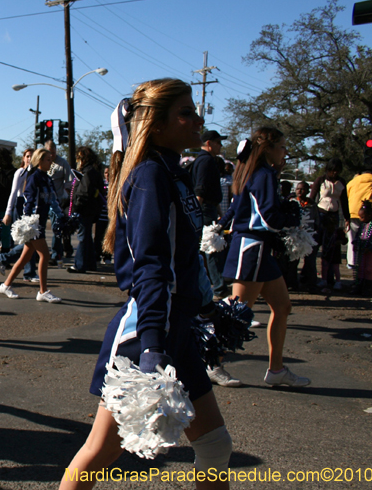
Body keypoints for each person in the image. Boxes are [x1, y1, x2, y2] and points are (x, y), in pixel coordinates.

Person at [61, 79, 231, 490]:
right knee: (100, 453)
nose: (198, 120)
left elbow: (181, 259)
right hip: (147, 330)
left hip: (176, 326)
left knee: (215, 447)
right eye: (186, 113)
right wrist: (154, 344)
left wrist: (206, 307)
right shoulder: (151, 175)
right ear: (155, 124)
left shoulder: (172, 173)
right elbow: (151, 266)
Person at [223, 127, 308, 387]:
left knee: (283, 307)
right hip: (252, 248)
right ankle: (210, 362)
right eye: (282, 146)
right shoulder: (264, 174)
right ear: (268, 148)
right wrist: (291, 218)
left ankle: (277, 369)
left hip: (259, 249)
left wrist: (219, 225)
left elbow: (236, 210)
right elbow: (268, 218)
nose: (285, 151)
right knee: (237, 314)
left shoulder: (255, 172)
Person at [0, 148, 63, 303]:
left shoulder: (47, 178)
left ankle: (6, 285)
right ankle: (43, 291)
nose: (50, 162)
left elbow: (53, 200)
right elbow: (29, 201)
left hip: (39, 222)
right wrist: (29, 221)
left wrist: (61, 216)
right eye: (47, 159)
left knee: (25, 257)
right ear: (39, 161)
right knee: (45, 255)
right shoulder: (33, 178)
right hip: (33, 224)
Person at [191, 130, 229, 299]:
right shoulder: (205, 161)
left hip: (210, 208)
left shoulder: (208, 160)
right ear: (208, 143)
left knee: (209, 247)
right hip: (204, 209)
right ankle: (219, 288)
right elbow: (200, 189)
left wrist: (219, 211)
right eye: (218, 142)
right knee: (211, 248)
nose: (220, 145)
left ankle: (204, 285)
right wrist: (196, 212)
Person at [0, 148, 39, 282]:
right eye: (27, 156)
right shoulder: (20, 172)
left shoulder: (37, 173)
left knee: (31, 240)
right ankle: (27, 271)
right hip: (21, 206)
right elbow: (13, 193)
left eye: (32, 156)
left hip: (34, 207)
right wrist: (8, 212)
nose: (29, 159)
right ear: (23, 158)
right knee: (29, 239)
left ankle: (27, 271)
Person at [308, 158, 350, 290]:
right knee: (315, 245)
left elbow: (344, 201)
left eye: (337, 171)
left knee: (331, 248)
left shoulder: (341, 182)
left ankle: (330, 278)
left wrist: (347, 218)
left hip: (334, 215)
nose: (334, 173)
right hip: (321, 214)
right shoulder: (320, 180)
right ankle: (312, 276)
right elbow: (312, 197)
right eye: (332, 170)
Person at [68, 146, 105, 274]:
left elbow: (84, 192)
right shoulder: (92, 171)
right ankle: (90, 263)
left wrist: (76, 207)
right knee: (87, 236)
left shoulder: (88, 172)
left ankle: (80, 264)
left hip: (85, 209)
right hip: (90, 208)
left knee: (83, 236)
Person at [346, 165, 372, 271]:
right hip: (370, 215)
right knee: (369, 238)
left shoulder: (352, 182)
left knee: (352, 239)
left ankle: (352, 263)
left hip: (353, 213)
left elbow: (346, 196)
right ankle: (366, 260)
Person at [44, 141, 73, 264]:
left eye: (53, 152)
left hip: (57, 200)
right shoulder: (42, 161)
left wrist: (65, 197)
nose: (52, 155)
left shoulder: (62, 163)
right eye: (49, 152)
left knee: (56, 228)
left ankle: (56, 254)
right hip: (44, 200)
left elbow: (69, 181)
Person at [350, 200, 372, 296]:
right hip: (362, 249)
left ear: (369, 216)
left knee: (369, 269)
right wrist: (355, 243)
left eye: (362, 217)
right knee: (360, 268)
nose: (361, 219)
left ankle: (368, 288)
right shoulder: (362, 225)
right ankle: (358, 286)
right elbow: (358, 236)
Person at [295, 181, 320, 290]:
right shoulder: (292, 202)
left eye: (303, 189)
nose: (300, 191)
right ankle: (292, 282)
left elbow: (317, 220)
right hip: (294, 235)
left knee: (310, 261)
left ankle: (310, 283)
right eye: (298, 189)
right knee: (293, 261)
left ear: (308, 191)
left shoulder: (312, 205)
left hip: (309, 235)